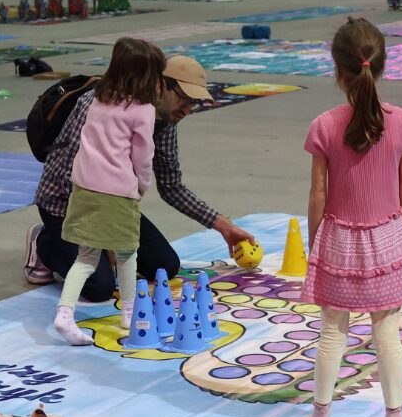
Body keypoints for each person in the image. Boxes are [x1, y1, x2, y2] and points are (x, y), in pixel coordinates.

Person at [26, 53, 255, 302]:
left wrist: (224, 227)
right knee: (100, 287)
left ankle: (91, 246)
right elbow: (72, 175)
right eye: (184, 99)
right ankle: (44, 242)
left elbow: (172, 187)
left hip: (115, 204)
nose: (188, 110)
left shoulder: (165, 119)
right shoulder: (101, 103)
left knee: (165, 267)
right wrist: (109, 237)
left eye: (194, 103)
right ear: (160, 85)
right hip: (66, 204)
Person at [300, 18, 402, 417]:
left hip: (339, 241)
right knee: (387, 331)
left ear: (337, 71)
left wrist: (316, 241)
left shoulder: (324, 125)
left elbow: (318, 194)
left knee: (332, 331)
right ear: (382, 66)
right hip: (387, 238)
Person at [51, 38, 164, 345]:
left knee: (86, 257)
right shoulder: (143, 111)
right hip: (117, 191)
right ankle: (129, 313)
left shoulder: (99, 99)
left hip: (84, 186)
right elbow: (143, 156)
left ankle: (64, 314)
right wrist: (141, 186)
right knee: (128, 253)